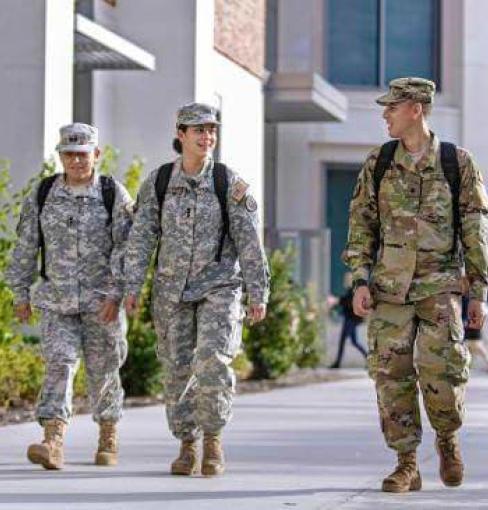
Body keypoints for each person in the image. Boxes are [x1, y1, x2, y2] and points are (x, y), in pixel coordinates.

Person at [343, 77, 488, 492]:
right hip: (390, 289)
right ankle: (406, 462)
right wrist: (359, 280)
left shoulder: (457, 163)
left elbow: (476, 231)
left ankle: (447, 438)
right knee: (391, 377)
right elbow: (361, 224)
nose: (384, 114)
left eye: (392, 107)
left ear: (415, 109)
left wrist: (478, 291)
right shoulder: (379, 162)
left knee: (442, 373)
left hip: (440, 288)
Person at [124, 102, 269, 476]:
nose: (207, 137)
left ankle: (213, 441)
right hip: (171, 292)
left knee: (211, 360)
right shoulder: (158, 184)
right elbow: (141, 239)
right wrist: (132, 286)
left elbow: (250, 242)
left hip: (219, 287)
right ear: (181, 134)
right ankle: (187, 444)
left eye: (211, 130)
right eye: (198, 130)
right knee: (175, 369)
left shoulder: (227, 183)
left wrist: (258, 292)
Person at [6, 123, 133, 470]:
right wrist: (20, 292)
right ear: (61, 156)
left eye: (83, 154)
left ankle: (108, 432)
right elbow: (26, 246)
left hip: (101, 304)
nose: (77, 160)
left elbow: (127, 249)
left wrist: (116, 293)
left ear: (96, 154)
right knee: (59, 364)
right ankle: (53, 440)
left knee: (104, 370)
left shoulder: (113, 193)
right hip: (56, 300)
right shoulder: (43, 193)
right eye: (70, 154)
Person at [329, 272, 366, 369]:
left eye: (347, 279)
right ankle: (337, 363)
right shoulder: (352, 290)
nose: (345, 281)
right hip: (349, 318)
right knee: (349, 342)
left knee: (351, 342)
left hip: (351, 319)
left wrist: (337, 301)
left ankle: (338, 363)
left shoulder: (353, 291)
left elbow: (349, 302)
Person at [461, 277, 488, 369]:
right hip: (468, 320)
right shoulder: (465, 295)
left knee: (475, 344)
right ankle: (467, 367)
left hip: (472, 320)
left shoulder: (472, 295)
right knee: (472, 345)